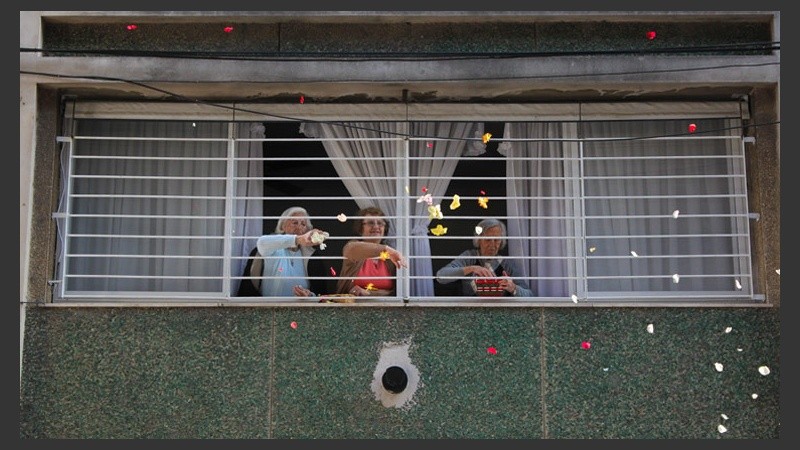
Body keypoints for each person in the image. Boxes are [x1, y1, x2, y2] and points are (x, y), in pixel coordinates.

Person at [435, 218, 533, 297]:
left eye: (497, 240)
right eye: (488, 239)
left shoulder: (506, 263)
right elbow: (441, 276)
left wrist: (513, 288)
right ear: (479, 240)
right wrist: (472, 268)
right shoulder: (469, 257)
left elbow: (529, 295)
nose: (492, 245)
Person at [256, 206, 327, 298]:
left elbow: (318, 292)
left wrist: (309, 295)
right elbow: (261, 242)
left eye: (303, 224)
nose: (299, 227)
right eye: (295, 222)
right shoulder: (274, 249)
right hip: (272, 309)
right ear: (283, 226)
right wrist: (299, 239)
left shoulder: (309, 255)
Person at [335, 206, 407, 297]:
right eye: (370, 223)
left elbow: (394, 293)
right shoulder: (353, 247)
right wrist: (387, 249)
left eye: (380, 223)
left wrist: (369, 293)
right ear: (361, 229)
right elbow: (351, 248)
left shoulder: (390, 258)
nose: (376, 226)